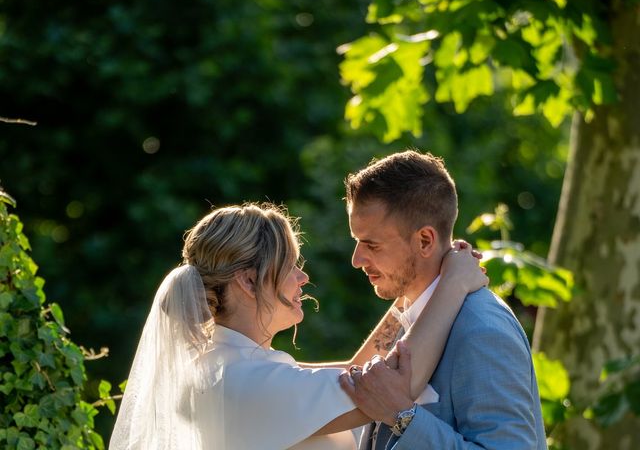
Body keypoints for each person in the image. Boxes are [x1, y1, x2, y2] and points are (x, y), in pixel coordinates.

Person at [109, 202, 487, 450]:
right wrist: (452, 285)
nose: (302, 277)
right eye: (290, 265)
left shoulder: (222, 366)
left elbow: (354, 373)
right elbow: (393, 385)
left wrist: (410, 294)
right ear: (248, 281)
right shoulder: (244, 382)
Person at [338, 150, 547, 449]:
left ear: (425, 240)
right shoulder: (409, 314)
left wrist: (404, 417)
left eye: (371, 245)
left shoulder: (483, 330)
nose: (357, 260)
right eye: (357, 242)